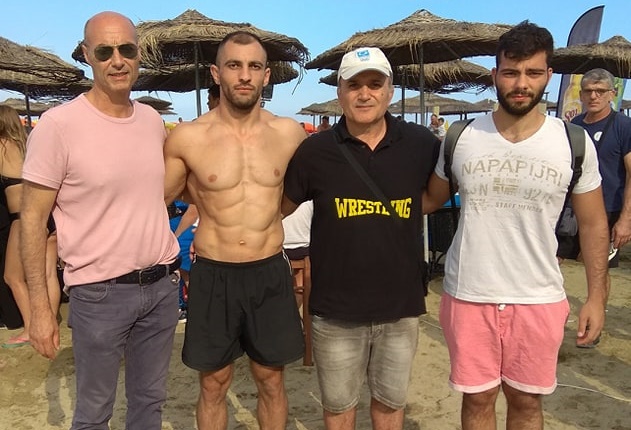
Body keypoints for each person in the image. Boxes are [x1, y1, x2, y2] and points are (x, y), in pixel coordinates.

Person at [422, 21, 610, 429]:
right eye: (510, 72)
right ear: (495, 75)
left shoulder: (572, 142)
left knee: (526, 402)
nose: (521, 84)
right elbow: (427, 201)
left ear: (549, 75)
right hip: (468, 292)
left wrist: (597, 298)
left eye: (533, 72)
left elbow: (594, 224)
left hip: (538, 295)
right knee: (477, 399)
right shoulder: (461, 136)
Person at [20, 11, 180, 429]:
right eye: (105, 51)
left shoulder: (151, 121)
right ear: (87, 55)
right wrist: (40, 309)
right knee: (93, 414)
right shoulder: (58, 126)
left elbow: (158, 194)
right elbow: (32, 220)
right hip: (98, 294)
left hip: (162, 286)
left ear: (139, 54)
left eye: (126, 49)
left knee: (149, 405)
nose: (117, 60)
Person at [282, 46, 439, 430]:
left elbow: (433, 199)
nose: (364, 94)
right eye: (354, 85)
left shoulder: (421, 144)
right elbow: (280, 208)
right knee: (339, 410)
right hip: (335, 310)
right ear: (340, 92)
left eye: (374, 84)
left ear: (389, 91)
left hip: (399, 306)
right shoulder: (315, 151)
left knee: (390, 405)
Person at [164, 31, 306, 430]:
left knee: (271, 380)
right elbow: (158, 199)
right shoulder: (189, 138)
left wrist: (268, 219)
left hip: (268, 270)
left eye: (254, 66)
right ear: (216, 73)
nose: (244, 75)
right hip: (214, 272)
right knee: (213, 384)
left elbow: (299, 193)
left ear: (266, 76)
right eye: (234, 65)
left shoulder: (289, 134)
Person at [0, 105, 61, 349]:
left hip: (23, 218)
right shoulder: (28, 145)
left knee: (12, 276)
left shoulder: (2, 146)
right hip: (49, 217)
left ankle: (28, 327)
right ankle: (51, 320)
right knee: (48, 274)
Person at [558, 68, 631, 268]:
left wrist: (626, 220)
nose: (593, 96)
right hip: (573, 209)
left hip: (607, 210)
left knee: (597, 267)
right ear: (581, 94)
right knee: (555, 260)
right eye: (588, 91)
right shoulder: (575, 125)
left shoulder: (624, 126)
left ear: (611, 94)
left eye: (600, 91)